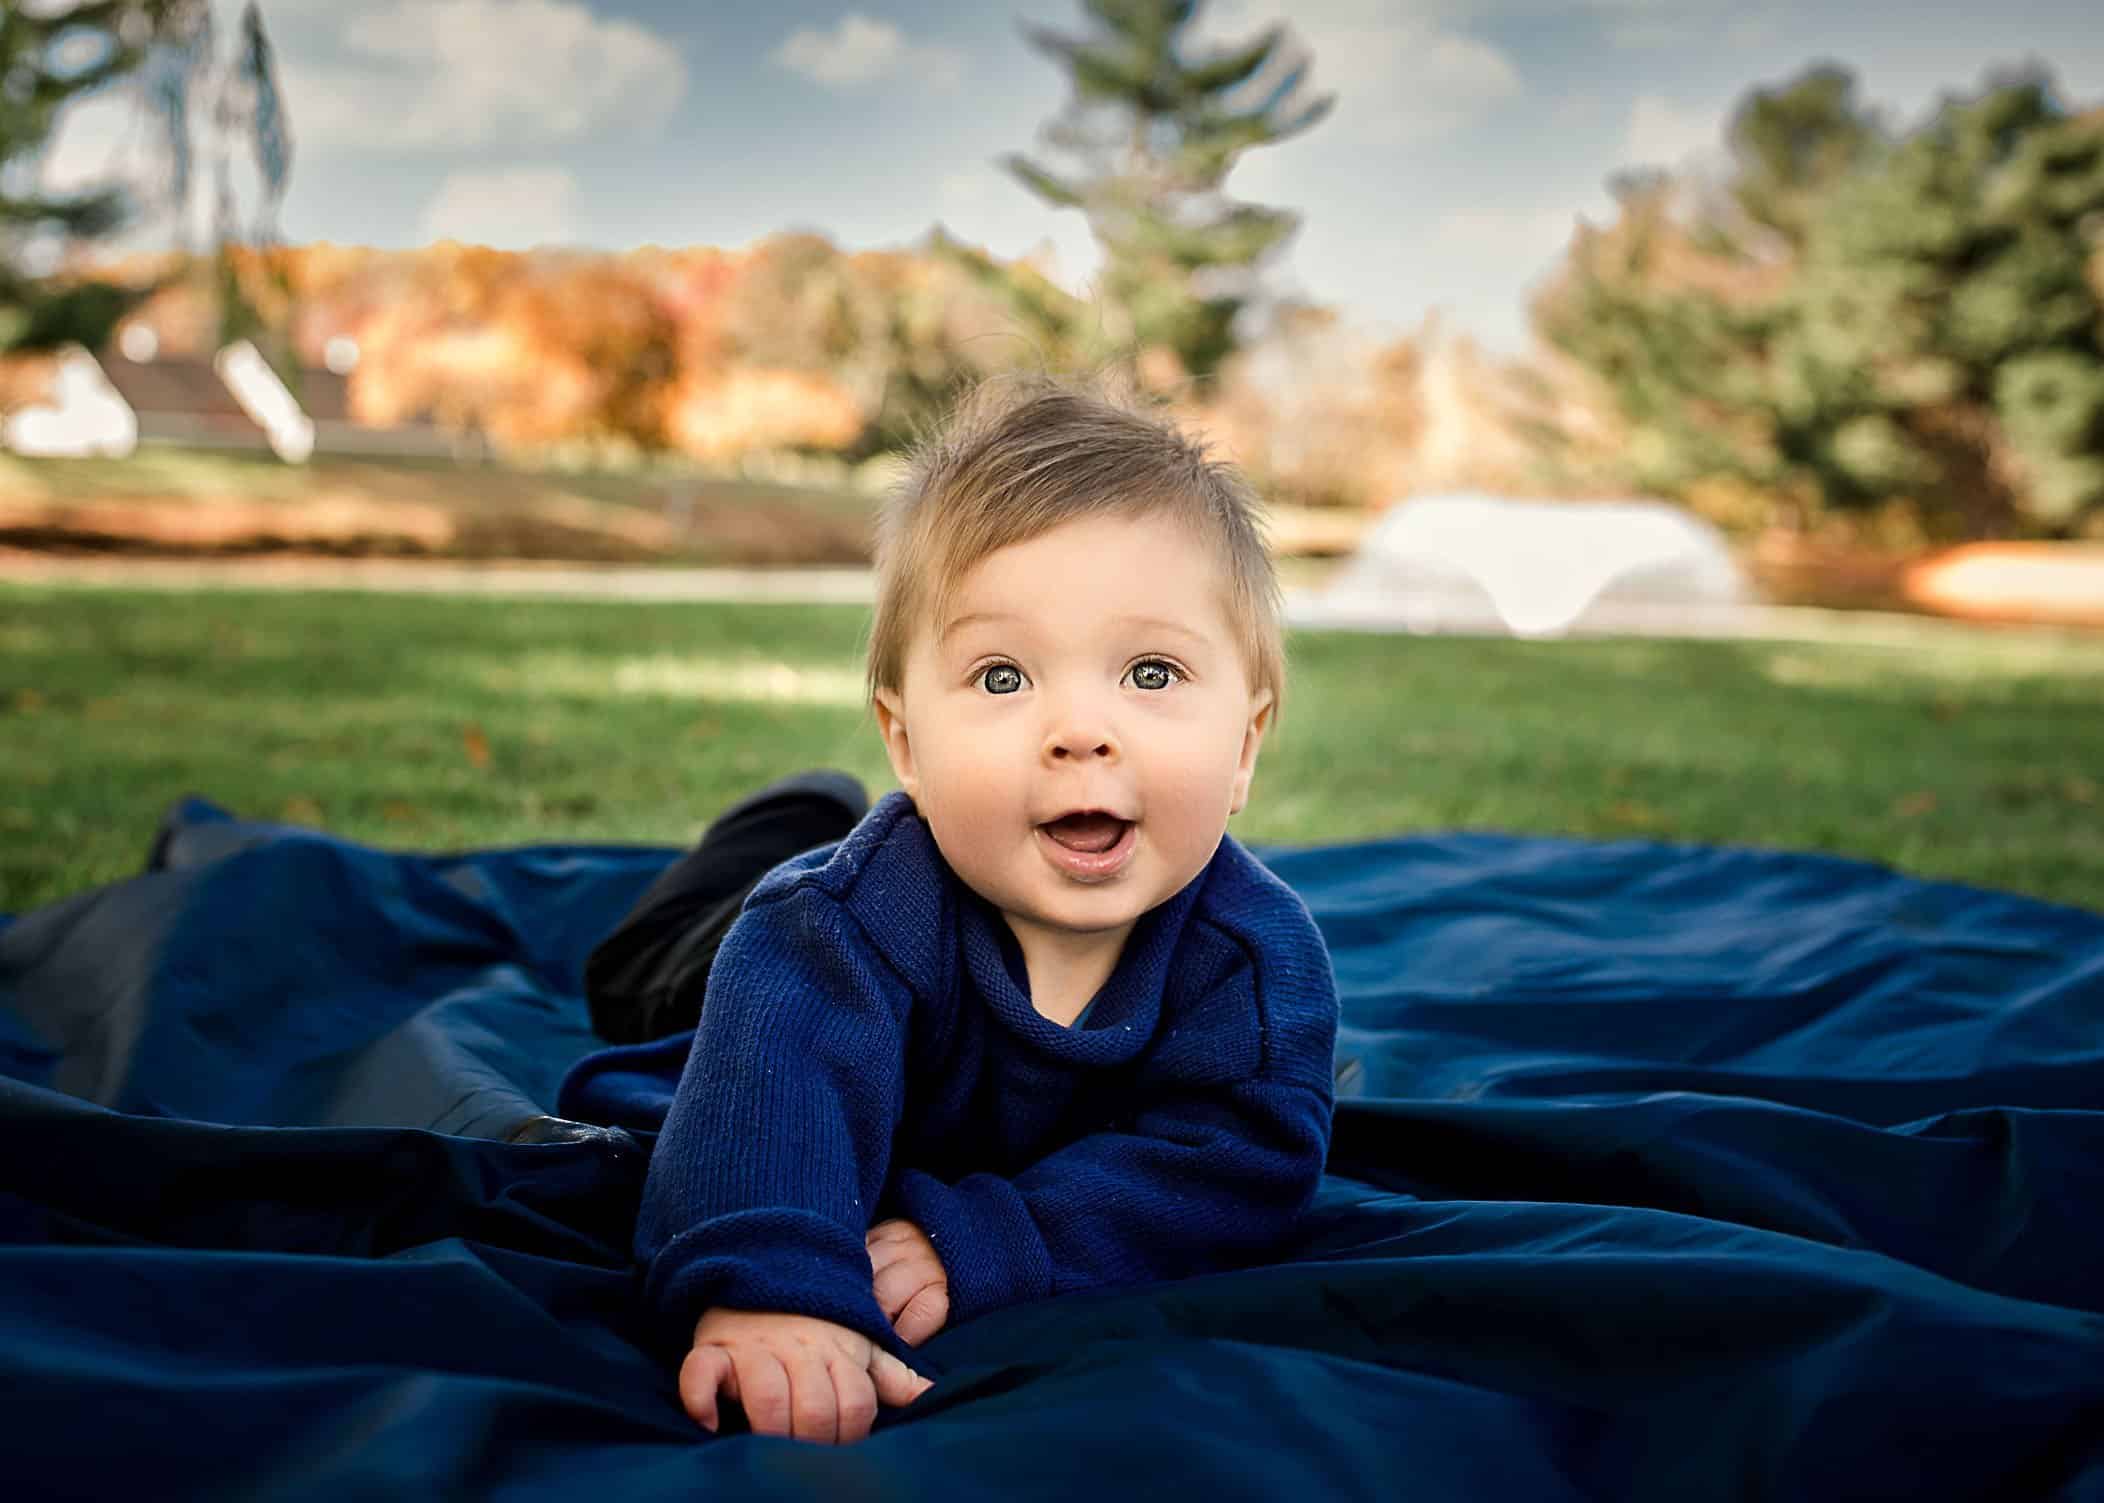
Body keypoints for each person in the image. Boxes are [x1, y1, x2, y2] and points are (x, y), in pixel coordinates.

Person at [561, 372, 1340, 1446]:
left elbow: (1237, 1165)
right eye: (1004, 677)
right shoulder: (829, 929)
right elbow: (766, 1104)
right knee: (642, 978)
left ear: (1244, 747)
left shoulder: (1252, 962)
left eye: (1151, 672)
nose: (1081, 730)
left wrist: (991, 1237)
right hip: (720, 973)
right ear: (907, 743)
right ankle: (789, 815)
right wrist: (769, 1289)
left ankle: (811, 812)